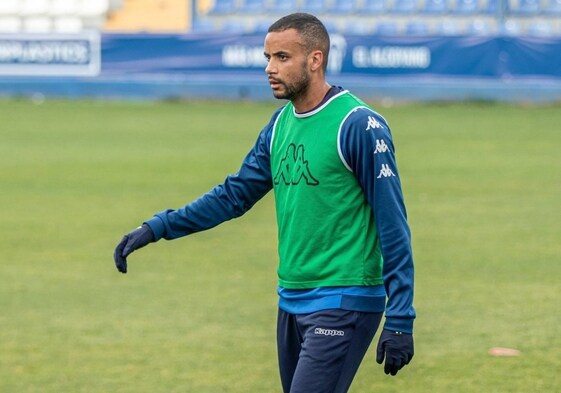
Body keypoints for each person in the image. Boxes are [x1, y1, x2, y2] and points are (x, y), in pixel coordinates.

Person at [114, 12, 415, 393]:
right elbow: (233, 195)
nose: (270, 69)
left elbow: (393, 224)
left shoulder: (356, 124)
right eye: (267, 58)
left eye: (282, 58)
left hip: (344, 299)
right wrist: (159, 226)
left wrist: (401, 316)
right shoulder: (279, 125)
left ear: (315, 59)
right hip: (291, 299)